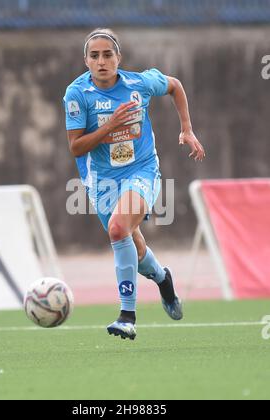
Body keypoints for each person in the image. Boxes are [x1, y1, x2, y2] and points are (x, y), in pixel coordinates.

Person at [64, 28, 205, 340]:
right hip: (101, 180)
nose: (102, 61)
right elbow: (76, 147)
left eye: (107, 54)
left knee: (118, 229)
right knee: (133, 244)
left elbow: (175, 86)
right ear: (86, 61)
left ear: (119, 58)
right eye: (94, 56)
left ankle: (127, 315)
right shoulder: (77, 95)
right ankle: (163, 279)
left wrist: (187, 129)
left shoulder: (138, 84)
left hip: (141, 170)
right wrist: (111, 125)